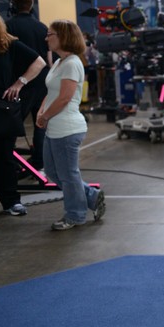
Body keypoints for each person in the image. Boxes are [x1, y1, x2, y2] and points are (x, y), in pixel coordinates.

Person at [0, 1, 46, 221]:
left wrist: (19, 83)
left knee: (4, 155)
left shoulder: (7, 44)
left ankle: (11, 200)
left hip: (2, 108)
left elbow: (39, 62)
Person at [36, 19, 105, 230]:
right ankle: (92, 197)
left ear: (63, 37)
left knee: (68, 175)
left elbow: (65, 98)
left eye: (50, 34)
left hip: (67, 128)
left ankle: (75, 215)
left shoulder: (73, 63)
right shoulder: (58, 63)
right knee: (54, 174)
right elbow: (52, 93)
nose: (46, 38)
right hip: (54, 128)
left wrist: (45, 116)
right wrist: (41, 111)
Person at [6, 0, 51, 170]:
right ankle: (40, 163)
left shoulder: (8, 26)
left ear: (12, 6)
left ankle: (8, 163)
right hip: (43, 82)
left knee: (9, 126)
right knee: (40, 124)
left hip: (21, 83)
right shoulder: (42, 27)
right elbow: (49, 59)